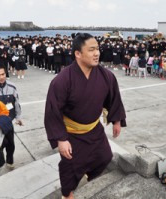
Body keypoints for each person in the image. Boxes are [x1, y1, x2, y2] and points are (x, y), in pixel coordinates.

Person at [44, 33, 126, 199]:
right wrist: (61, 139)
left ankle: (91, 176)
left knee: (105, 157)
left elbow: (114, 98)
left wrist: (116, 120)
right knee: (70, 168)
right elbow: (53, 111)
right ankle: (67, 194)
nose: (97, 53)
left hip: (94, 128)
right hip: (71, 133)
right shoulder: (62, 80)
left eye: (97, 49)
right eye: (91, 50)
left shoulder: (106, 76)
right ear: (78, 54)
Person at [0, 65, 23, 168]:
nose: (1, 77)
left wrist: (18, 117)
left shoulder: (12, 87)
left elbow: (16, 103)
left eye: (3, 74)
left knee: (11, 145)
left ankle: (10, 161)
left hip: (8, 122)